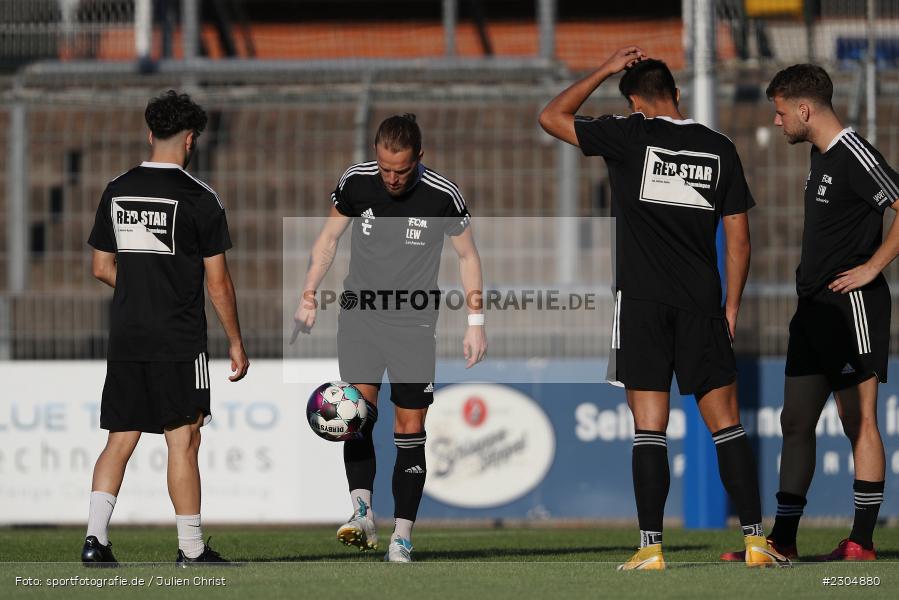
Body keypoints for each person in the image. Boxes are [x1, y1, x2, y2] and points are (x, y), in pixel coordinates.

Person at [539, 48, 789, 569]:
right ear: (677, 93)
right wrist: (732, 307)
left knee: (649, 427)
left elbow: (551, 116)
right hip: (703, 303)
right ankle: (757, 541)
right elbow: (740, 242)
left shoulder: (628, 134)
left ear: (634, 102)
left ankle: (651, 547)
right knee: (728, 426)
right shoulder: (719, 147)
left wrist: (604, 67)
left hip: (641, 304)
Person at [723, 64, 898, 562]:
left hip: (851, 307)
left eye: (781, 113)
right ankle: (784, 540)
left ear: (804, 109)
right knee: (795, 420)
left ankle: (861, 542)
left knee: (858, 421)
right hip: (812, 310)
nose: (777, 122)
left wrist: (870, 268)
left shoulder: (855, 154)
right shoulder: (820, 157)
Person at [294, 114, 486, 563]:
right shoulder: (357, 183)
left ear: (420, 157)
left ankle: (402, 535)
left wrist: (475, 321)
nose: (392, 178)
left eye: (401, 170)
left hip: (414, 327)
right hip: (359, 319)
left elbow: (468, 256)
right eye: (385, 169)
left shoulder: (443, 195)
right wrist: (309, 293)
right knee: (356, 415)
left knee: (410, 429)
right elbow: (327, 240)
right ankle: (362, 513)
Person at [82, 90, 249, 567]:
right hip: (178, 337)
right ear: (191, 139)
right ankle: (192, 549)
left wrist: (139, 287)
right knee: (184, 439)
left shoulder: (118, 188)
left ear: (150, 133)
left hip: (128, 333)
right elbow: (217, 282)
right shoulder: (200, 198)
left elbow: (100, 266)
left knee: (120, 437)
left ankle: (95, 541)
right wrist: (235, 342)